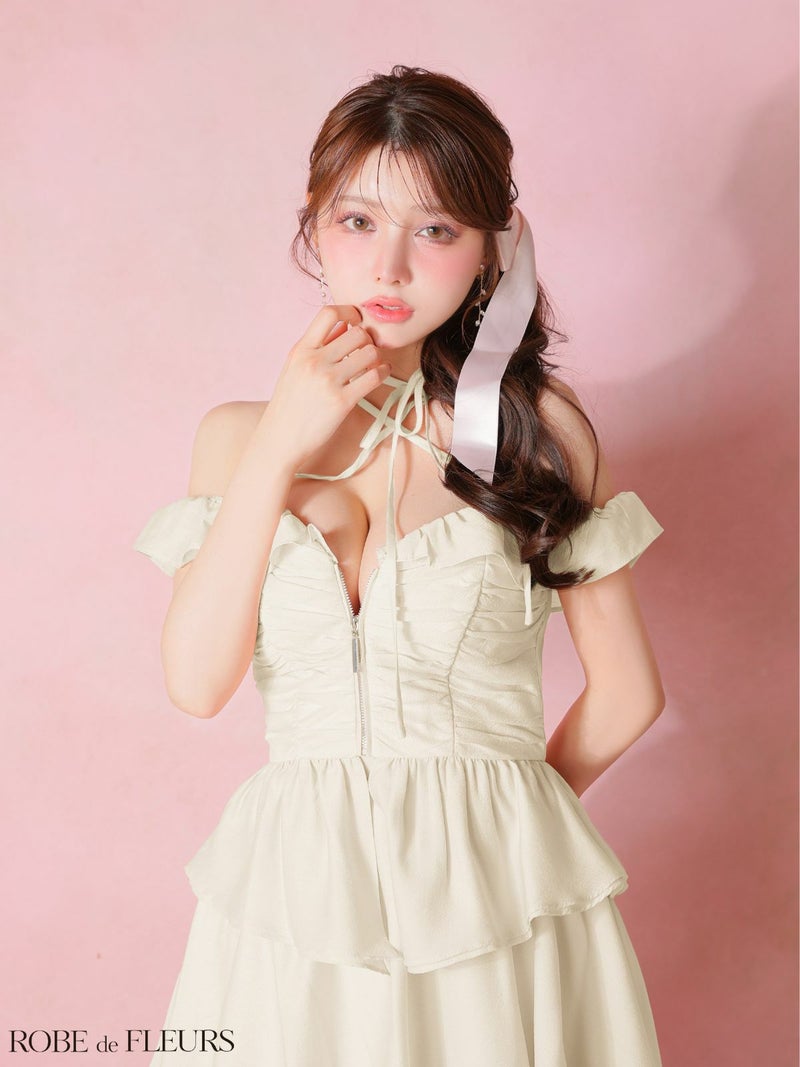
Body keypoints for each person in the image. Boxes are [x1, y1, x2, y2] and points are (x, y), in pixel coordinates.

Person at [134, 65, 665, 1066]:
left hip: (493, 908)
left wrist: (507, 833)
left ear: (488, 248)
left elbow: (629, 690)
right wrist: (279, 446)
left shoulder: (538, 434)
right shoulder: (235, 437)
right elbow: (196, 684)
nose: (389, 265)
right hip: (296, 904)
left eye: (435, 229)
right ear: (313, 221)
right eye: (357, 220)